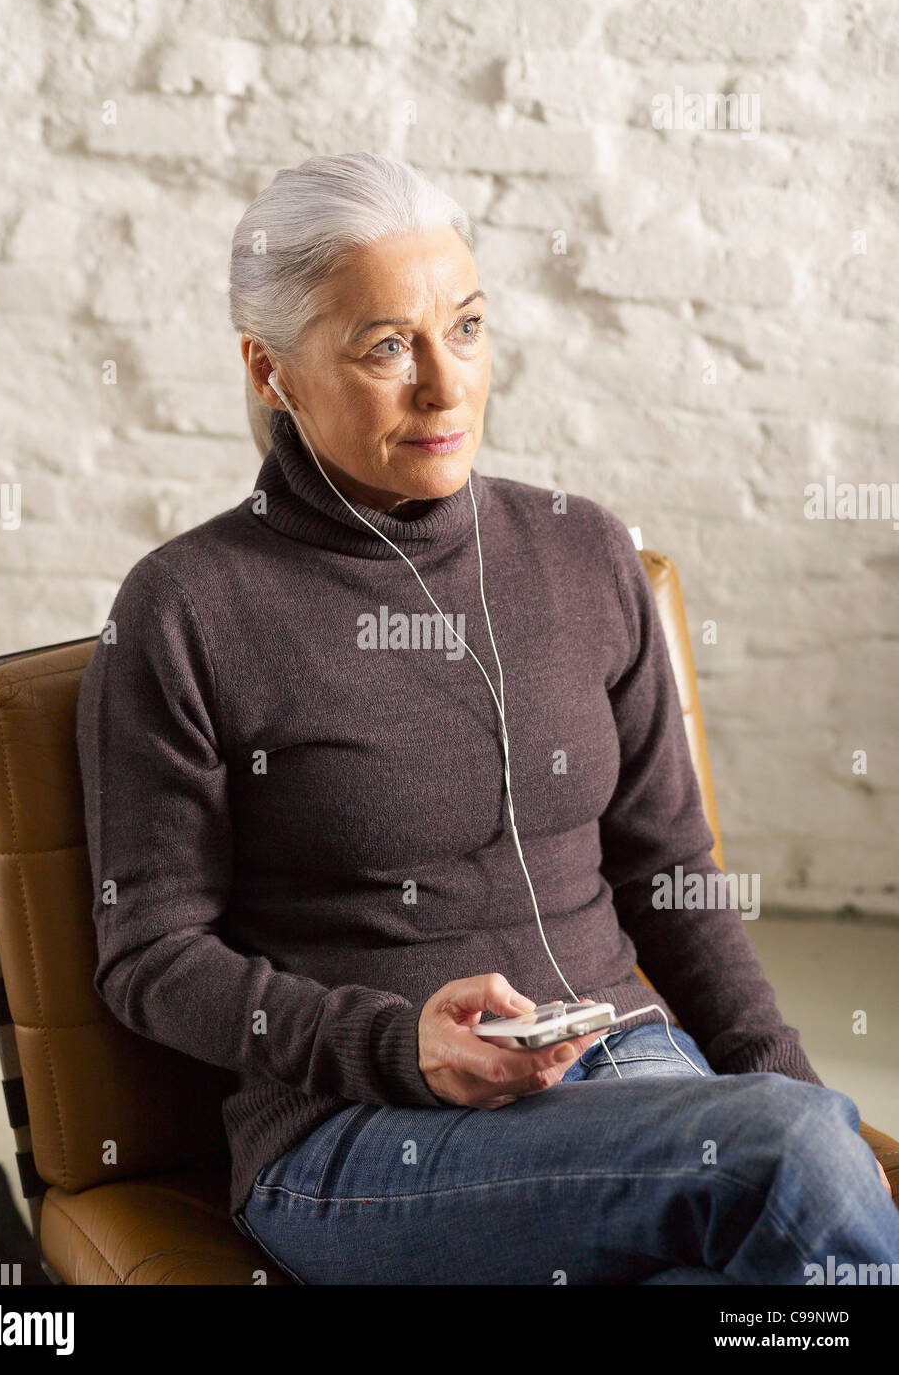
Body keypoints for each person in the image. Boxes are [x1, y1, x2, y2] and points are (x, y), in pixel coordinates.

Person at [75, 151, 898, 1286]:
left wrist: (792, 1096)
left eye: (464, 327)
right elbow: (150, 957)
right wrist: (393, 1042)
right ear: (271, 372)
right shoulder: (186, 607)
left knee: (762, 1226)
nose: (444, 385)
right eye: (384, 346)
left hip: (639, 1089)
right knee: (789, 1159)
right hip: (360, 1138)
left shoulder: (581, 550)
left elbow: (670, 868)